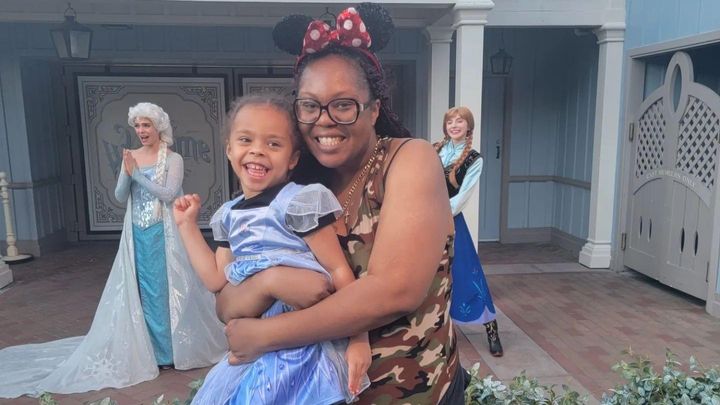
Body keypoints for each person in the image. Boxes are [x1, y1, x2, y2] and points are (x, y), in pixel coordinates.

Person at [212, 4, 467, 404]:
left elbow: (394, 290)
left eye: (343, 104)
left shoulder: (408, 160)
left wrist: (266, 334)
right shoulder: (295, 188)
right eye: (310, 105)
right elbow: (228, 304)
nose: (324, 119)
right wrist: (267, 282)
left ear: (374, 109)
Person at [0, 102, 226, 399]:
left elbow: (169, 194)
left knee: (165, 290)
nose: (141, 130)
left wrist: (137, 174)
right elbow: (120, 196)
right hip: (138, 234)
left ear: (158, 127)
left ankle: (172, 351)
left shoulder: (174, 159)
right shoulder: (131, 156)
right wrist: (127, 172)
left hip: (165, 235)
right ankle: (153, 352)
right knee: (142, 291)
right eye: (138, 125)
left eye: (146, 125)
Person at [173, 93, 371, 405]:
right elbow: (216, 279)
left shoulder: (299, 202)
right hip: (256, 342)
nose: (257, 150)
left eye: (273, 144)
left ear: (293, 159)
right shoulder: (228, 215)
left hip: (302, 340)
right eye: (245, 140)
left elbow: (337, 269)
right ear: (229, 149)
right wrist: (187, 227)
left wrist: (358, 337)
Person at [434, 106, 504, 357]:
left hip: (451, 221)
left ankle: (492, 330)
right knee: (432, 277)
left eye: (459, 121)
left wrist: (437, 214)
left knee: (466, 273)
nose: (454, 126)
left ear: (468, 126)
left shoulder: (475, 159)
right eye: (450, 122)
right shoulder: (433, 150)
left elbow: (462, 197)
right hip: (426, 222)